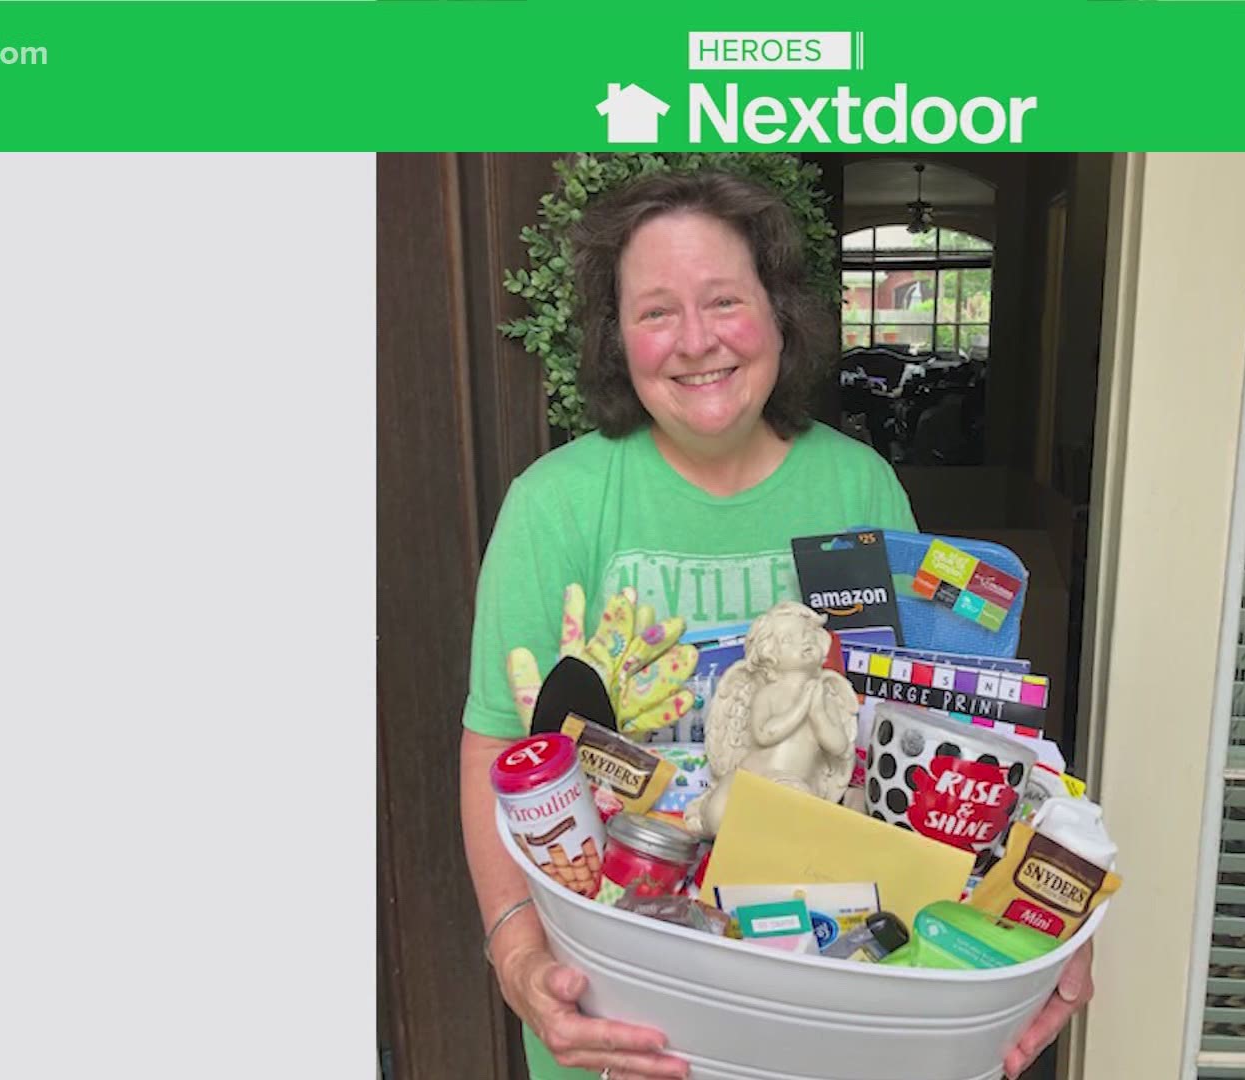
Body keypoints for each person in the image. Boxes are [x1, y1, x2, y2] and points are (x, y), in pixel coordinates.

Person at [457, 170, 1093, 1080]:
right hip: (627, 1031)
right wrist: (518, 956)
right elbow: (494, 749)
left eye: (725, 301)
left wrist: (1035, 927)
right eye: (655, 312)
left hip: (837, 1014)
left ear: (780, 314)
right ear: (615, 337)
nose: (696, 341)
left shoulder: (859, 486)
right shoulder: (554, 507)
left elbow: (928, 738)